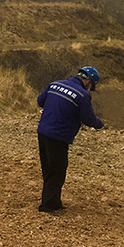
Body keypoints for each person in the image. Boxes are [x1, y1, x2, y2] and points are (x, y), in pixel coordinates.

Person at [36, 66, 105, 214]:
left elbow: (40, 101)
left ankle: (54, 202)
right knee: (58, 171)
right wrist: (100, 124)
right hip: (59, 136)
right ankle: (47, 206)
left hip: (42, 131)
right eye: (91, 86)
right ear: (88, 82)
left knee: (48, 168)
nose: (90, 89)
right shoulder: (82, 95)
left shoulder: (54, 84)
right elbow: (88, 119)